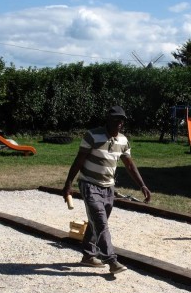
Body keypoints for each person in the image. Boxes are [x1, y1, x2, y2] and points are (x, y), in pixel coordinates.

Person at [62, 106, 151, 274]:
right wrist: (68, 184)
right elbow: (79, 160)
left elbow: (130, 165)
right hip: (89, 184)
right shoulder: (92, 135)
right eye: (116, 120)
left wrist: (142, 185)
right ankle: (111, 260)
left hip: (109, 187)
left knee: (97, 222)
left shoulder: (123, 141)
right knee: (100, 221)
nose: (119, 123)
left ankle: (88, 256)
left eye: (122, 120)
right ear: (108, 120)